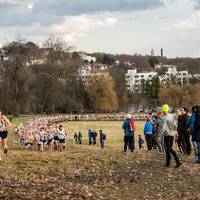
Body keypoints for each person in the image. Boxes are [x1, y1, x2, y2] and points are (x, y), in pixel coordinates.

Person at [158, 104, 181, 168]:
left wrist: (159, 136)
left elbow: (163, 128)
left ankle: (176, 162)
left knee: (168, 149)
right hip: (172, 134)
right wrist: (175, 133)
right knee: (169, 149)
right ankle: (170, 163)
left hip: (167, 135)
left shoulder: (164, 118)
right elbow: (175, 125)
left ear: (163, 110)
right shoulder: (172, 116)